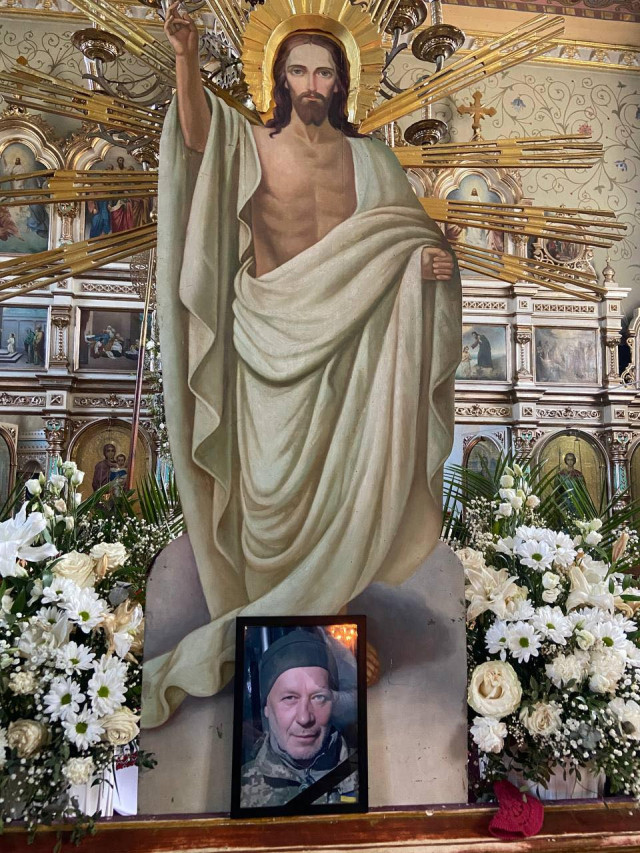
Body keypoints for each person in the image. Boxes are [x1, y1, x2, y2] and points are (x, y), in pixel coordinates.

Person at [142, 4, 461, 729]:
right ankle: (283, 633)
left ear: (342, 81)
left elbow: (407, 239)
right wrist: (186, 59)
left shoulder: (373, 160)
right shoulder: (249, 143)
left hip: (351, 354)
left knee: (345, 487)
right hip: (266, 345)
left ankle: (332, 625)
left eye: (323, 72)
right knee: (267, 498)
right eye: (298, 71)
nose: (312, 83)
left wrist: (431, 264)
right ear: (278, 80)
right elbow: (196, 138)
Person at [241, 631, 357, 808]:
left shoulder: (366, 775)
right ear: (267, 708)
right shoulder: (243, 788)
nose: (304, 718)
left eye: (318, 697)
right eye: (289, 698)